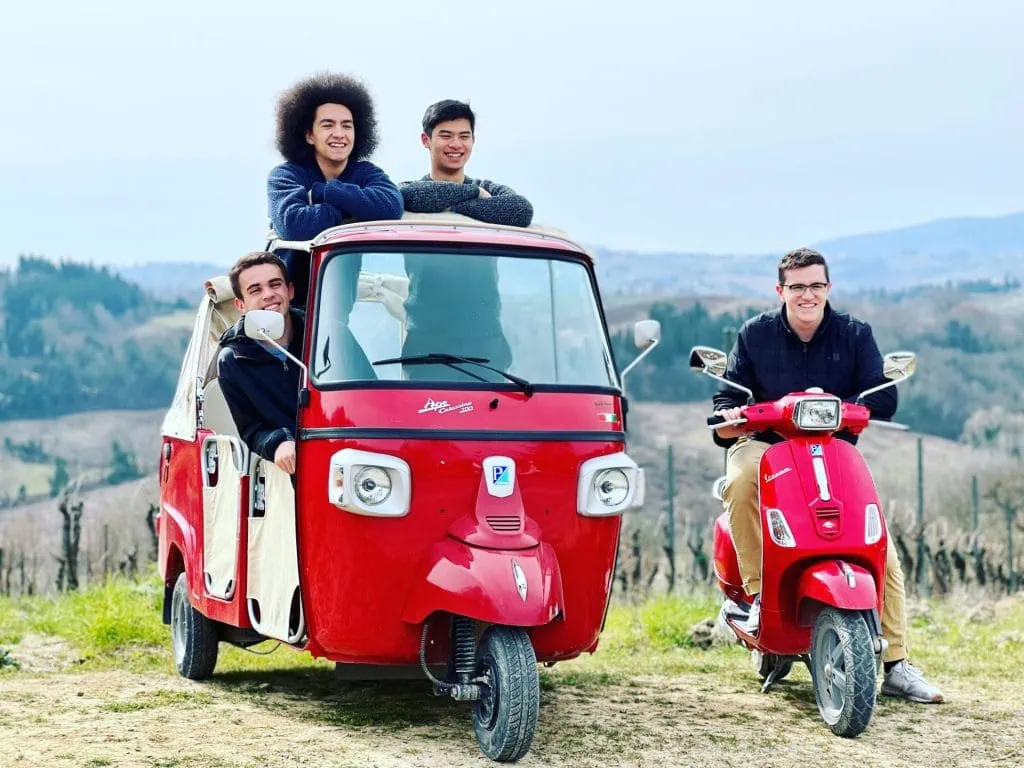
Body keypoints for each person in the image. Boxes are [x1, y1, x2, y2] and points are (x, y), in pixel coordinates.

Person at [712, 246, 944, 704]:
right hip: (767, 445)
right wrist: (733, 416)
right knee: (740, 481)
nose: (807, 295)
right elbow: (725, 401)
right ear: (780, 290)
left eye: (816, 285)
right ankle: (760, 598)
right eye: (797, 286)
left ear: (828, 288)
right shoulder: (754, 334)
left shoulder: (854, 334)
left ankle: (896, 663)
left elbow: (884, 399)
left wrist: (851, 406)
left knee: (882, 549)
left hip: (830, 449)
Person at [399, 100, 533, 380]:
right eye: (445, 135)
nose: (455, 144)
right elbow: (410, 197)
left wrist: (451, 205)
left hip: (486, 343)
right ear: (426, 140)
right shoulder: (409, 191)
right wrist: (475, 197)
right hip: (426, 344)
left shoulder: (492, 188)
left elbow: (520, 211)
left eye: (464, 136)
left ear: (473, 140)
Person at [267, 72, 403, 308]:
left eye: (347, 126)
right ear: (309, 135)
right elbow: (293, 225)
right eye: (328, 125)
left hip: (337, 311)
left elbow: (391, 207)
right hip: (288, 312)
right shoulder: (285, 176)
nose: (339, 134)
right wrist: (352, 210)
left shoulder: (366, 173)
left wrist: (323, 193)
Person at [216, 251, 305, 475]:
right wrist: (279, 443)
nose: (269, 295)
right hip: (291, 471)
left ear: (290, 290)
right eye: (255, 290)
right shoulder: (233, 359)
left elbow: (363, 392)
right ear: (240, 304)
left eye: (275, 285)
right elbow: (252, 430)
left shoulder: (326, 333)